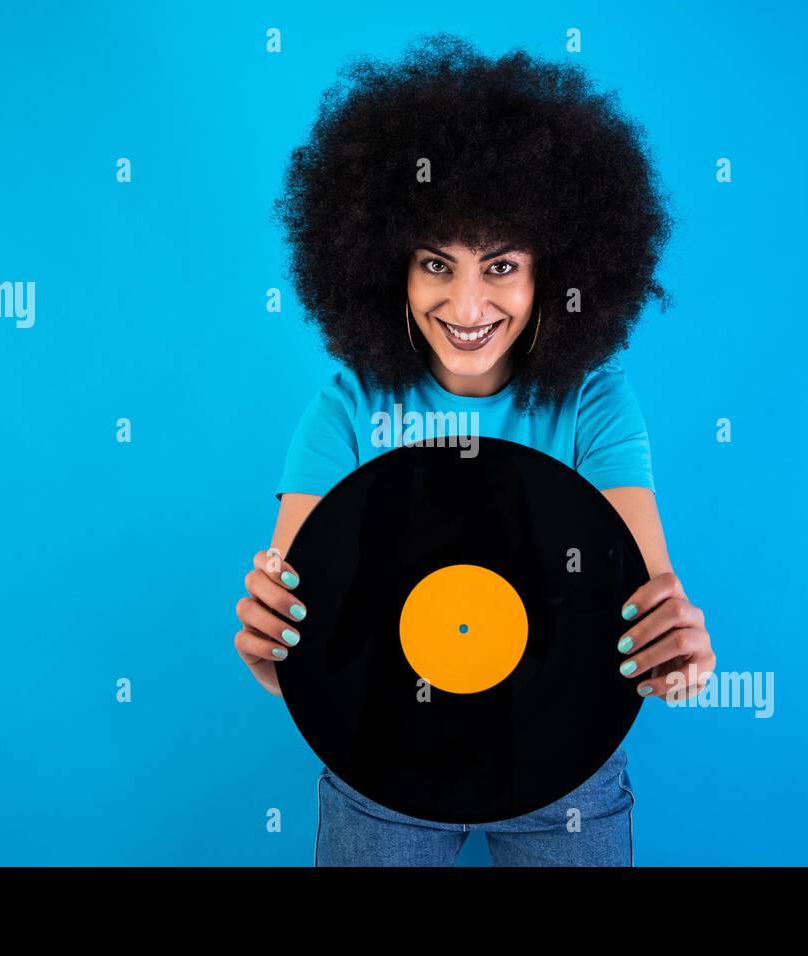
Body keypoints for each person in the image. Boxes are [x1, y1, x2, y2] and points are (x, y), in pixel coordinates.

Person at [233, 34, 715, 866]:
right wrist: (267, 648)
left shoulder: (592, 401)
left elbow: (642, 609)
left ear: (551, 271)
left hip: (568, 762)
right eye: (434, 263)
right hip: (382, 764)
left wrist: (678, 655)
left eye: (500, 265)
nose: (466, 304)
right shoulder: (347, 405)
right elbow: (301, 661)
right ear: (388, 267)